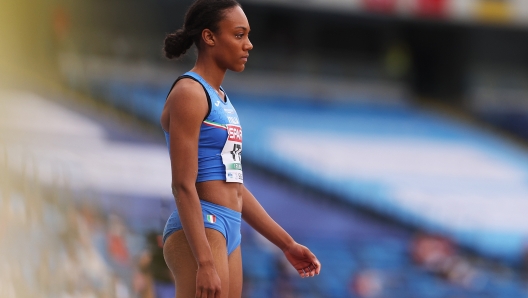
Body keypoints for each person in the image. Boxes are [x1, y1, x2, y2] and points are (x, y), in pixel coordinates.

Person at [159, 0, 321, 297]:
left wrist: (286, 243)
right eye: (238, 35)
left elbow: (235, 187)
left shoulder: (223, 101)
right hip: (203, 226)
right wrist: (205, 262)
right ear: (209, 37)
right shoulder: (189, 93)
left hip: (229, 227)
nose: (248, 45)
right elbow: (182, 185)